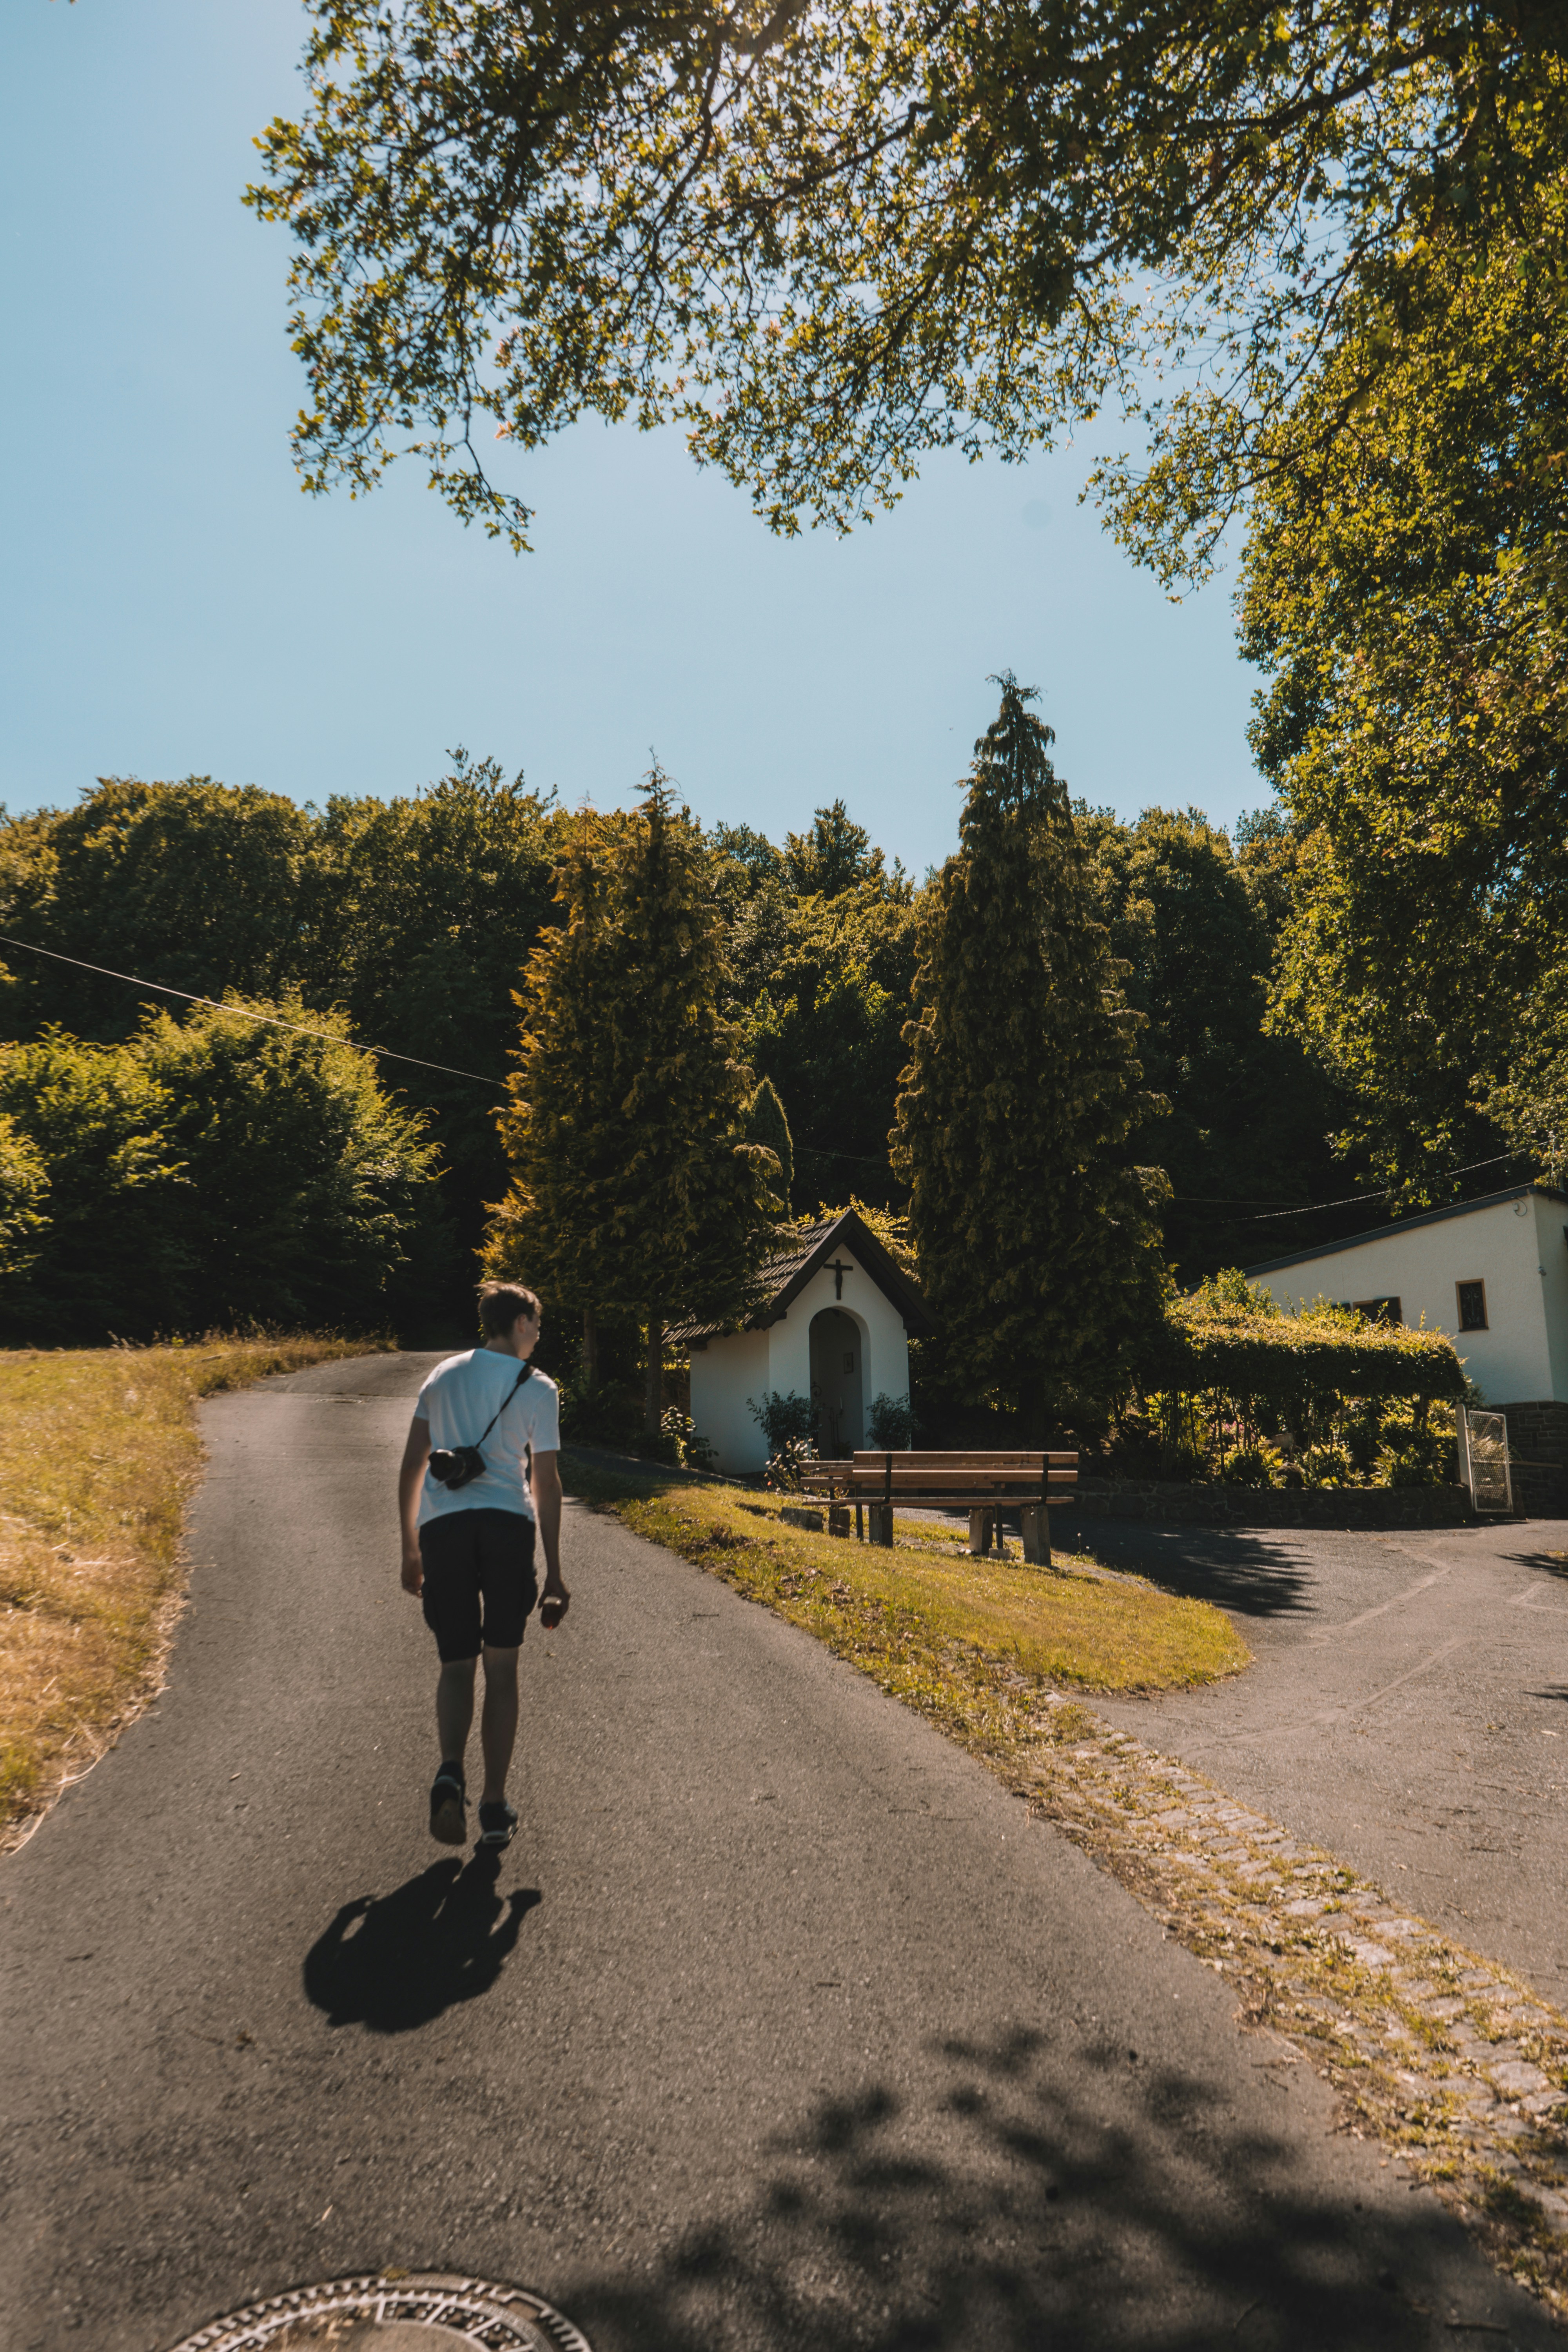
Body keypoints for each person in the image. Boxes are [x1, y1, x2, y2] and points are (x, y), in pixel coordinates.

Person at [397, 1280, 570, 1849]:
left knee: (454, 1664)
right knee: (501, 1669)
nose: (539, 1335)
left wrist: (410, 1547)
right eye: (537, 1324)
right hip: (505, 1528)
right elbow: (544, 1481)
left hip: (443, 1531)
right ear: (520, 1322)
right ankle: (493, 1806)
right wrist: (554, 1571)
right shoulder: (539, 1388)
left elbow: (412, 1466)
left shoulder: (442, 1376)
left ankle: (451, 1769)